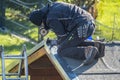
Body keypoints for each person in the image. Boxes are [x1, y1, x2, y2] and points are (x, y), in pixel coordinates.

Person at [29, 2, 105, 65]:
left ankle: (87, 51)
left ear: (41, 20)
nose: (43, 26)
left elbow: (63, 37)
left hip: (82, 26)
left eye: (41, 24)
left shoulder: (51, 19)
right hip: (89, 22)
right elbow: (66, 38)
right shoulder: (53, 6)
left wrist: (55, 42)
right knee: (70, 44)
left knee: (61, 50)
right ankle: (97, 46)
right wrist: (58, 41)